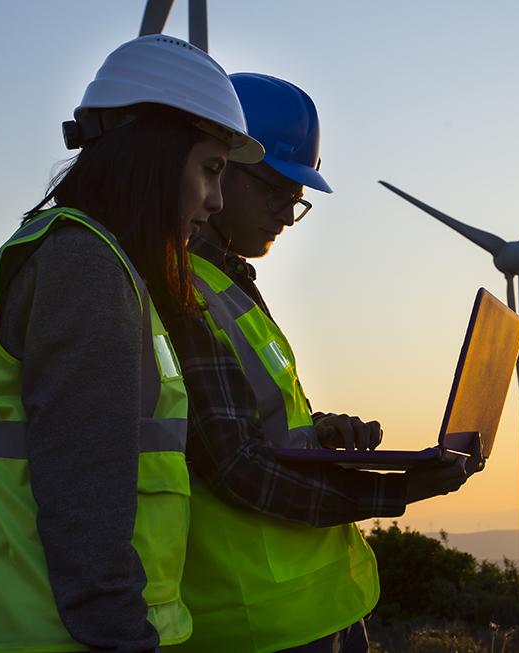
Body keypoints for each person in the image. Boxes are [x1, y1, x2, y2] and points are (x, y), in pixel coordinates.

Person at [0, 35, 263, 652]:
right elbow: (88, 512)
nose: (216, 201)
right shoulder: (87, 269)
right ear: (155, 156)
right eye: (211, 169)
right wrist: (123, 639)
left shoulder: (50, 252)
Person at [164, 73, 480, 653]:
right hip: (254, 624)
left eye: (297, 199)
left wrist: (319, 433)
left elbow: (258, 426)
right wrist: (402, 488)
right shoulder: (180, 293)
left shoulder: (229, 286)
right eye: (276, 189)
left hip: (316, 610)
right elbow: (234, 465)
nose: (287, 214)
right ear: (218, 164)